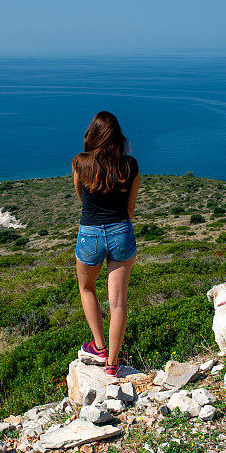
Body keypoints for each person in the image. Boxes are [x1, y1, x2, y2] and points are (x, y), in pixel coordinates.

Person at [72, 111, 140, 378]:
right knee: (118, 303)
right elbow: (130, 207)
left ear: (92, 134)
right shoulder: (130, 165)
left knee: (87, 287)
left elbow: (82, 197)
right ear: (117, 136)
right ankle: (112, 364)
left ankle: (98, 347)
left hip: (89, 232)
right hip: (121, 230)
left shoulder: (80, 162)